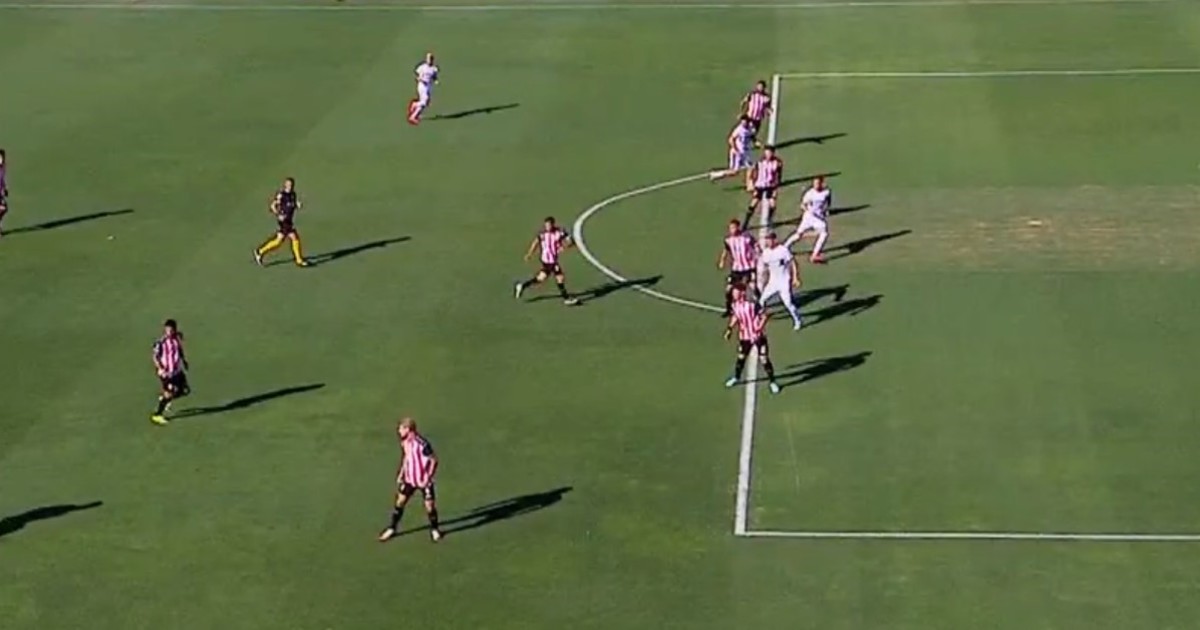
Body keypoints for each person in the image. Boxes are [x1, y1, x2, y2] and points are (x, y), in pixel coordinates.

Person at [378, 418, 443, 543]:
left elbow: (434, 460)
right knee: (399, 502)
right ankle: (392, 528)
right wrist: (401, 473)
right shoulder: (404, 442)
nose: (399, 431)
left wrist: (428, 476)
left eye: (401, 428)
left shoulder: (422, 444)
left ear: (408, 429)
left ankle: (435, 529)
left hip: (423, 480)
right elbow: (406, 457)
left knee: (429, 506)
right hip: (409, 479)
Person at [724, 287, 781, 394]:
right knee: (741, 357)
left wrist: (759, 327)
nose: (734, 295)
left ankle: (773, 382)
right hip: (745, 337)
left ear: (741, 294)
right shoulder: (734, 305)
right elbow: (735, 317)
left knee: (764, 359)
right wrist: (729, 329)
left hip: (758, 336)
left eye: (735, 293)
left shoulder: (752, 305)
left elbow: (765, 315)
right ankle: (736, 377)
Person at [515, 217, 580, 306]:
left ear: (553, 224)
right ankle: (566, 298)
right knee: (560, 277)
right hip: (548, 260)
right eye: (546, 225)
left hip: (552, 259)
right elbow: (535, 243)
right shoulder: (543, 234)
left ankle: (522, 285)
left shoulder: (559, 232)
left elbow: (571, 241)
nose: (547, 227)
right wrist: (529, 253)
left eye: (549, 225)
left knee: (540, 278)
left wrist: (564, 246)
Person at [253, 177, 309, 267]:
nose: (290, 187)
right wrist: (278, 214)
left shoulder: (293, 194)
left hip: (289, 220)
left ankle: (260, 251)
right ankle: (299, 260)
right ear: (285, 185)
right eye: (289, 185)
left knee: (279, 241)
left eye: (292, 185)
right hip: (284, 221)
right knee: (294, 237)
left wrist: (297, 205)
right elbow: (273, 206)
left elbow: (291, 204)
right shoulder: (281, 195)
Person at [758, 232, 803, 330]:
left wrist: (795, 277)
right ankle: (762, 317)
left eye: (769, 240)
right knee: (762, 300)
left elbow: (793, 262)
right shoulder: (766, 252)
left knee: (788, 304)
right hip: (773, 282)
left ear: (774, 240)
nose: (768, 242)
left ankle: (797, 320)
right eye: (767, 240)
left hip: (784, 282)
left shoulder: (783, 250)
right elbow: (766, 266)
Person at [151, 319, 190, 425]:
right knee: (169, 393)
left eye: (171, 330)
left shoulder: (176, 338)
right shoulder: (161, 342)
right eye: (167, 330)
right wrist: (160, 368)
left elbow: (179, 350)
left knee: (184, 391)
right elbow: (155, 357)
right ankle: (157, 415)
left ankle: (164, 399)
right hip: (166, 373)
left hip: (177, 371)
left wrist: (184, 361)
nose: (169, 332)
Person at [785, 176, 832, 264]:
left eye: (817, 183)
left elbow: (828, 201)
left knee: (824, 233)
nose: (815, 185)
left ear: (822, 183)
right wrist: (808, 210)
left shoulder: (826, 192)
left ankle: (814, 255)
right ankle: (785, 247)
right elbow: (802, 205)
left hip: (818, 219)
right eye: (814, 183)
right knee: (799, 234)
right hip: (808, 217)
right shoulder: (809, 193)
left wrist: (826, 209)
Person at [717, 219, 758, 316]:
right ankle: (729, 309)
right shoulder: (728, 240)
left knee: (752, 288)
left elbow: (756, 245)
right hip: (736, 269)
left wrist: (756, 257)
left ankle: (759, 306)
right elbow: (726, 250)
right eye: (730, 228)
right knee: (728, 289)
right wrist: (722, 260)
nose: (731, 230)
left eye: (733, 228)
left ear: (738, 227)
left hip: (748, 268)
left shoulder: (746, 237)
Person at [744, 145, 783, 226]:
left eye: (770, 153)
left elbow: (778, 175)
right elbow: (751, 172)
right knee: (754, 203)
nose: (768, 155)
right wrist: (750, 183)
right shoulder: (760, 162)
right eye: (767, 153)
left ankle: (769, 220)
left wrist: (776, 187)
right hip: (760, 185)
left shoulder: (777, 163)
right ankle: (746, 222)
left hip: (770, 185)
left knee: (773, 204)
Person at [709, 116, 756, 181]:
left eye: (745, 121)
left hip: (745, 153)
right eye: (742, 122)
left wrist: (755, 142)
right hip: (737, 153)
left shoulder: (751, 127)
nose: (743, 123)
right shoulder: (739, 130)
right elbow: (730, 139)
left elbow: (751, 136)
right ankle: (715, 175)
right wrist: (736, 150)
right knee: (734, 172)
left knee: (751, 167)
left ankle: (750, 182)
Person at [409, 52, 439, 125]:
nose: (429, 60)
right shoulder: (422, 67)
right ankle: (413, 114)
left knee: (426, 103)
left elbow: (434, 76)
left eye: (431, 59)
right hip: (422, 85)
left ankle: (415, 111)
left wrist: (436, 81)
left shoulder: (434, 69)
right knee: (424, 102)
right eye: (428, 59)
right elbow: (417, 74)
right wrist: (418, 78)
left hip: (429, 86)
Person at [0, 149, 9, 237]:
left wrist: (5, 188)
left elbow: (2, 180)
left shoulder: (3, 168)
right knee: (3, 208)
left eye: (1, 158)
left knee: (4, 209)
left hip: (1, 192)